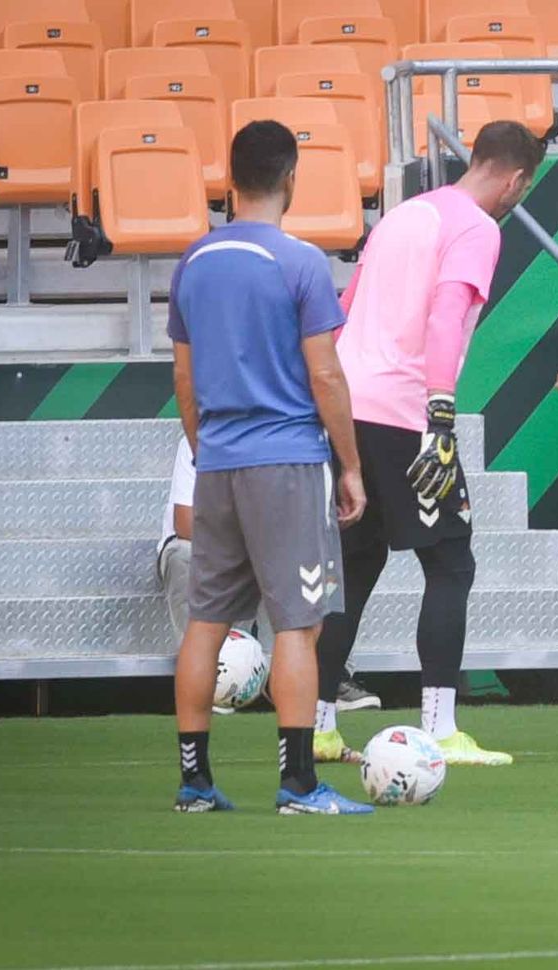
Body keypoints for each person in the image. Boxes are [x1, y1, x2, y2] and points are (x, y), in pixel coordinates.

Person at [312, 121, 544, 767]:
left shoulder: (403, 216)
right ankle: (440, 728)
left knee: (355, 567)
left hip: (347, 407)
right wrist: (440, 414)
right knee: (450, 564)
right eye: (523, 189)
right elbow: (445, 316)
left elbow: (345, 307)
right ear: (515, 180)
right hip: (405, 413)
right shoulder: (477, 228)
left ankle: (319, 728)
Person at [168, 120, 371, 814]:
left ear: (229, 181)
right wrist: (350, 466)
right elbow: (326, 375)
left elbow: (184, 378)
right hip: (286, 461)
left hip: (218, 460)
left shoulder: (193, 261)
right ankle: (298, 784)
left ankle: (195, 783)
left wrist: (205, 448)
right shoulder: (302, 262)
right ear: (291, 179)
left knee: (206, 622)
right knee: (298, 623)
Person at [157, 436, 379, 716]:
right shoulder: (207, 434)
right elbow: (185, 522)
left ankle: (326, 675)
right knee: (184, 554)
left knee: (325, 555)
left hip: (275, 549)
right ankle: (214, 679)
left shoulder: (301, 438)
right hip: (220, 548)